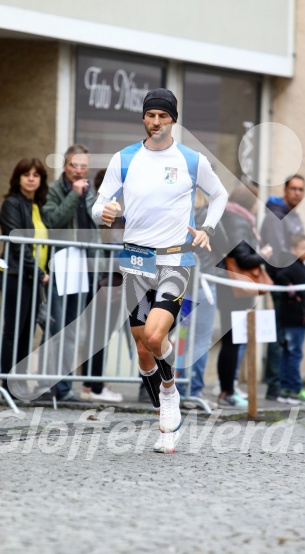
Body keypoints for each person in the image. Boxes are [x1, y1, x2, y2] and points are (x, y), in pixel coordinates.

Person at [92, 88, 228, 453]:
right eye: (150, 115)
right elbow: (100, 202)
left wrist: (208, 228)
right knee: (142, 348)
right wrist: (102, 212)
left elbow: (220, 195)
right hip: (136, 259)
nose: (155, 122)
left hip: (174, 259)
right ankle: (166, 427)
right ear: (143, 118)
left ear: (173, 119)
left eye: (162, 116)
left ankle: (169, 393)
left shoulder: (191, 160)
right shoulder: (124, 159)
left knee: (155, 337)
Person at [43, 144, 99, 401]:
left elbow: (96, 224)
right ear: (64, 166)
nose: (78, 171)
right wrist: (73, 196)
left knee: (74, 329)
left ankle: (63, 386)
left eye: (83, 166)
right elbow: (53, 221)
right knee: (56, 327)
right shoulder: (53, 190)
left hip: (83, 268)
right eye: (74, 165)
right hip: (60, 267)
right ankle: (51, 385)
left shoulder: (90, 191)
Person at [0, 158, 51, 398]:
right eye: (26, 174)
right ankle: (7, 385)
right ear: (17, 178)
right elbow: (18, 244)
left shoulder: (38, 206)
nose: (31, 178)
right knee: (13, 330)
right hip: (15, 275)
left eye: (36, 175)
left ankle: (18, 383)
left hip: (33, 278)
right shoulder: (11, 204)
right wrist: (39, 272)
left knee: (28, 332)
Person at [217, 183, 273, 407]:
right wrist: (264, 255)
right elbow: (242, 258)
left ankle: (228, 390)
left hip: (233, 289)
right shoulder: (238, 220)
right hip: (235, 290)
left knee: (233, 340)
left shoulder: (233, 217)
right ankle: (227, 391)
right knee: (232, 340)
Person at [175, 189, 229, 409]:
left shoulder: (180, 213)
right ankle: (194, 390)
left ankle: (177, 388)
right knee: (201, 339)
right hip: (203, 283)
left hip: (181, 283)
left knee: (181, 338)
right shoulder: (209, 215)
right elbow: (225, 245)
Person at [260, 174, 305, 401]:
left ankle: (286, 385)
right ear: (285, 190)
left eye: (301, 189)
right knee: (277, 335)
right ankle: (274, 387)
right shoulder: (276, 215)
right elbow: (279, 253)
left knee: (286, 336)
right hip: (280, 283)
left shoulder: (294, 216)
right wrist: (287, 282)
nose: (297, 193)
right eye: (294, 189)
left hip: (291, 283)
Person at [80, 169, 123, 403]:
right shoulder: (109, 216)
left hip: (103, 281)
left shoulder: (103, 214)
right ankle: (94, 385)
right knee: (100, 335)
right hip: (108, 283)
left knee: (96, 334)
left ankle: (92, 383)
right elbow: (115, 253)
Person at [277, 233, 305, 405]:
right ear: (293, 250)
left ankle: (285, 389)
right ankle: (294, 389)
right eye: (303, 248)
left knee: (289, 353)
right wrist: (293, 295)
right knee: (294, 353)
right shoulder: (293, 265)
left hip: (298, 317)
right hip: (294, 317)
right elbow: (281, 279)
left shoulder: (300, 265)